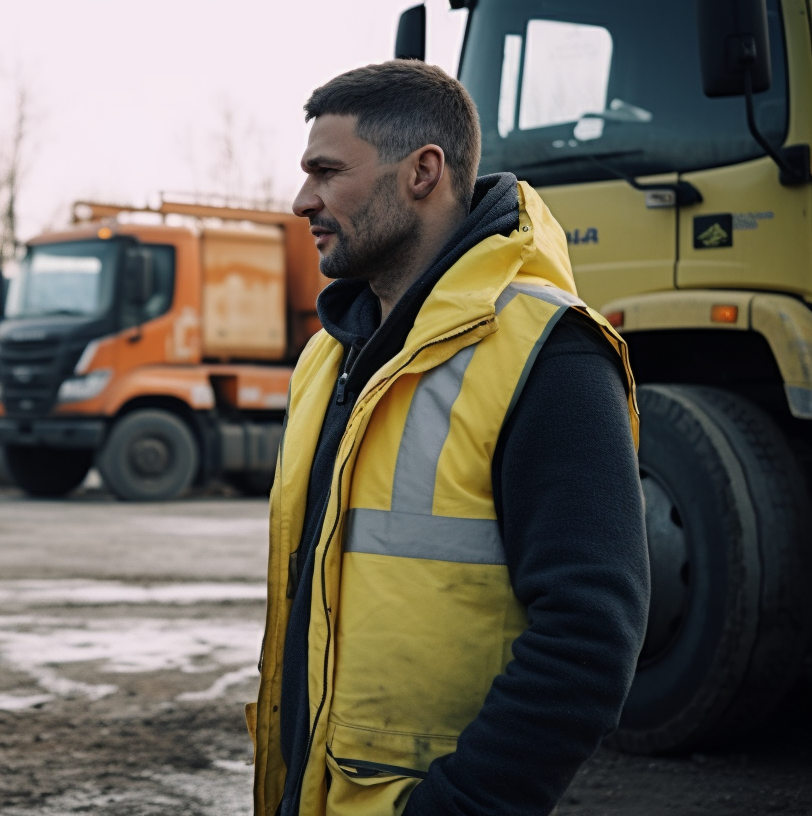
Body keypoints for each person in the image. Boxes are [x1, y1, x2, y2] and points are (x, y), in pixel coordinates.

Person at [250, 60, 649, 816]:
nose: (303, 200)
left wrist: (461, 807)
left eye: (327, 172)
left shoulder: (550, 353)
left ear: (423, 172)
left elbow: (590, 637)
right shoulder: (328, 357)